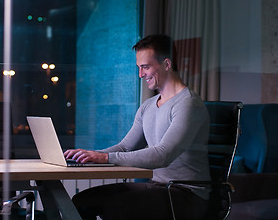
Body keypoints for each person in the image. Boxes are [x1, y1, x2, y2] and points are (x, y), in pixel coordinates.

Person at [64, 34, 211, 220]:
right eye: (139, 68)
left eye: (146, 67)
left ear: (167, 64)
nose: (141, 74)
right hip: (159, 186)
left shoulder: (188, 104)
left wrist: (105, 157)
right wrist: (90, 156)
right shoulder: (148, 106)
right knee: (82, 201)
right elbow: (125, 147)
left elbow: (163, 155)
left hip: (188, 194)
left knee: (117, 207)